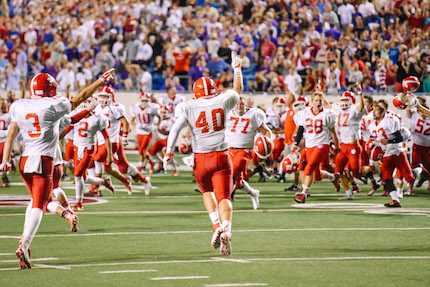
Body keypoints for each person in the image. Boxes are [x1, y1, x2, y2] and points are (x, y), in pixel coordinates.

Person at [0, 69, 115, 269]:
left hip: (25, 161)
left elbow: (11, 135)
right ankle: (25, 244)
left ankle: (25, 242)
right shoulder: (53, 106)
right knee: (40, 204)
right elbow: (80, 98)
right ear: (50, 89)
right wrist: (100, 81)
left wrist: (5, 161)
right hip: (43, 160)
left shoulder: (20, 106)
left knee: (35, 201)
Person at [163, 52, 242, 256]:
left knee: (207, 192)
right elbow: (237, 91)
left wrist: (168, 153)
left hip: (201, 159)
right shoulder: (223, 100)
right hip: (222, 157)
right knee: (225, 196)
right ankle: (227, 229)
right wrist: (237, 69)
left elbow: (176, 128)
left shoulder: (187, 106)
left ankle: (216, 225)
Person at [293, 91, 340, 204]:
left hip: (322, 144)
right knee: (317, 175)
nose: (318, 103)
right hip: (309, 145)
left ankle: (303, 194)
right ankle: (333, 178)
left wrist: (337, 147)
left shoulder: (327, 114)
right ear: (311, 102)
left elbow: (333, 132)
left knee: (309, 168)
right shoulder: (305, 113)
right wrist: (295, 145)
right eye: (316, 100)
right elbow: (300, 130)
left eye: (320, 100)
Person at [226, 96, 272, 210]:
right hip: (228, 149)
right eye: (237, 104)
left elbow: (266, 131)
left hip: (244, 150)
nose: (239, 106)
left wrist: (268, 144)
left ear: (246, 105)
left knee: (232, 172)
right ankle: (253, 193)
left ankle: (224, 200)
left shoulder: (254, 114)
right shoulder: (228, 113)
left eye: (241, 104)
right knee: (239, 181)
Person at [368, 103, 414, 207]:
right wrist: (374, 144)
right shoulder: (371, 125)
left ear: (382, 112)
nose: (373, 113)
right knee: (386, 178)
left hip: (397, 152)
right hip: (387, 154)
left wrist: (387, 141)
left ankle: (419, 170)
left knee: (409, 178)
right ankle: (395, 200)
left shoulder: (390, 120)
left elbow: (399, 137)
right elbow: (373, 137)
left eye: (376, 111)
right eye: (373, 111)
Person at [331, 88, 365, 199]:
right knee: (338, 171)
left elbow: (360, 108)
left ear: (351, 101)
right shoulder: (338, 110)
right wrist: (320, 94)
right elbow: (328, 105)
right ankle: (348, 192)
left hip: (353, 145)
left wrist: (360, 94)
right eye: (343, 100)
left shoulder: (354, 110)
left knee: (356, 172)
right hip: (343, 146)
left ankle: (370, 173)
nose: (344, 102)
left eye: (347, 100)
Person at [130, 92, 160, 172]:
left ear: (149, 101)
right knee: (141, 149)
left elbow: (159, 116)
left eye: (146, 101)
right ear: (140, 100)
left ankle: (141, 166)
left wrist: (157, 125)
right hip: (139, 131)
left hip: (148, 131)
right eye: (143, 100)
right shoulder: (135, 107)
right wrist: (133, 126)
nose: (144, 102)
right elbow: (132, 119)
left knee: (142, 149)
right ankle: (151, 163)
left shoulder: (153, 108)